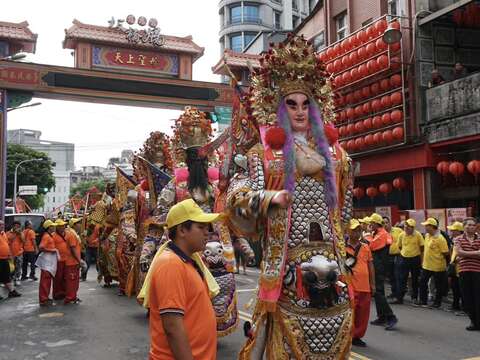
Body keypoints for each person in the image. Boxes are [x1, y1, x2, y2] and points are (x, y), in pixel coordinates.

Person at [225, 36, 354, 358]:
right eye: (291, 104)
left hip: (333, 261)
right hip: (285, 268)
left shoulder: (338, 155)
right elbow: (234, 200)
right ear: (279, 107)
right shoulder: (265, 155)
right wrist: (269, 198)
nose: (299, 111)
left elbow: (346, 208)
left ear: (317, 106)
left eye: (306, 103)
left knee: (334, 326)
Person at [148, 199, 219, 360]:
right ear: (181, 230)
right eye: (200, 227)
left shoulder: (187, 261)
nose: (207, 232)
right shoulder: (170, 264)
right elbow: (172, 326)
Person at [347, 219, 375, 347]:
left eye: (358, 230)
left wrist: (372, 284)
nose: (357, 233)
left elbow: (371, 266)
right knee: (349, 313)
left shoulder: (365, 247)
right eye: (354, 230)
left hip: (364, 286)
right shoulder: (342, 247)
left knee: (362, 314)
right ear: (348, 231)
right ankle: (347, 335)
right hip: (349, 286)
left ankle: (357, 337)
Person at [368, 213, 398, 330]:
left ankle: (391, 317)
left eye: (371, 223)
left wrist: (367, 236)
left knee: (378, 292)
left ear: (376, 223)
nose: (370, 224)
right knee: (378, 292)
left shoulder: (382, 235)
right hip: (377, 265)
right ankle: (382, 317)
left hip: (379, 267)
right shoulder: (377, 234)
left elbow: (370, 246)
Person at [454, 217, 480, 331]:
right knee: (467, 298)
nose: (470, 227)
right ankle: (473, 321)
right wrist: (476, 253)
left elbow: (462, 253)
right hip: (464, 271)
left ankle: (478, 322)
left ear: (476, 227)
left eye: (472, 225)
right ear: (463, 226)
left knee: (478, 297)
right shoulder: (458, 239)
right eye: (468, 225)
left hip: (477, 271)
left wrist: (465, 254)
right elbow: (458, 252)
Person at [418, 218, 449, 308]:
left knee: (439, 286)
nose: (425, 227)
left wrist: (446, 264)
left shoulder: (440, 238)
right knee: (422, 282)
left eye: (427, 226)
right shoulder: (427, 235)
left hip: (438, 266)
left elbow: (446, 253)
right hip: (426, 265)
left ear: (432, 227)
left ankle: (437, 302)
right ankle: (423, 301)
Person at [395, 219, 424, 304]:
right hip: (404, 258)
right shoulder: (401, 235)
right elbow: (399, 246)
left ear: (413, 228)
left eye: (409, 227)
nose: (407, 228)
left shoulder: (418, 235)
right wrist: (405, 252)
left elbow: (422, 247)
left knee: (415, 279)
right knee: (402, 278)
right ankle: (400, 298)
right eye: (406, 226)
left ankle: (414, 297)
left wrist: (421, 259)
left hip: (415, 259)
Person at [0, 220, 21, 299]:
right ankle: (12, 291)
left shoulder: (3, 234)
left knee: (7, 276)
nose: (2, 226)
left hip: (5, 258)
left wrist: (9, 254)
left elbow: (6, 245)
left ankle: (12, 292)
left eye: (2, 225)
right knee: (4, 276)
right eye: (0, 225)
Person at [38, 220, 57, 306]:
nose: (54, 227)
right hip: (47, 261)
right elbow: (41, 247)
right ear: (49, 228)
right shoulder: (46, 236)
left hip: (48, 261)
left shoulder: (49, 235)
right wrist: (51, 250)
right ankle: (43, 299)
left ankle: (45, 297)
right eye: (53, 226)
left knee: (47, 280)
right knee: (45, 281)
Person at [64, 218, 82, 304]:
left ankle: (73, 296)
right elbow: (73, 249)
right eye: (78, 223)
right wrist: (79, 260)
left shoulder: (72, 233)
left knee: (74, 281)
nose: (80, 225)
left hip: (73, 261)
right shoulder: (71, 234)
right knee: (72, 281)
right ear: (74, 225)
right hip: (71, 261)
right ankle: (70, 298)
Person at [384, 216, 403, 300]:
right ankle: (394, 292)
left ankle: (399, 295)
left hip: (398, 256)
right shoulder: (382, 234)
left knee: (397, 275)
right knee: (391, 275)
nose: (385, 224)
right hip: (387, 256)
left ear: (390, 222)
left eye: (386, 222)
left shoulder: (398, 231)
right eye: (383, 223)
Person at [52, 219, 71, 300]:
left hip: (66, 259)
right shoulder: (53, 235)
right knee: (58, 277)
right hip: (57, 260)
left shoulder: (67, 234)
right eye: (61, 226)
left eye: (63, 225)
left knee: (65, 277)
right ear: (57, 227)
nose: (63, 227)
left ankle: (64, 292)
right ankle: (57, 293)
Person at [447, 221, 464, 312]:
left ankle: (465, 308)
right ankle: (455, 305)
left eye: (453, 230)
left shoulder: (463, 240)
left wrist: (459, 259)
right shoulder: (453, 241)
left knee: (463, 290)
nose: (451, 232)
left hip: (462, 269)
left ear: (459, 231)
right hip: (454, 269)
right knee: (455, 288)